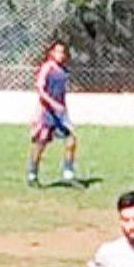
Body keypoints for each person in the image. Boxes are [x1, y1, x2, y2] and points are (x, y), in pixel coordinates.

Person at [27, 41, 77, 186]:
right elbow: (40, 89)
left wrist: (62, 107)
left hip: (60, 113)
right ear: (51, 53)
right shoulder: (47, 68)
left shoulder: (63, 70)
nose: (60, 55)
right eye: (57, 52)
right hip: (47, 111)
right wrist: (52, 103)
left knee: (71, 139)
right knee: (40, 143)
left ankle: (68, 172)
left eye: (63, 52)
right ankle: (32, 173)